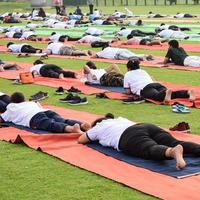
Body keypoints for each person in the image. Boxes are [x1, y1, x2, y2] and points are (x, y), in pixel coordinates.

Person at [78, 113, 200, 170]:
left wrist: (88, 129)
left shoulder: (98, 127)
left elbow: (81, 140)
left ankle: (172, 152)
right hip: (145, 126)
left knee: (149, 148)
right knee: (176, 141)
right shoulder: (119, 119)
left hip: (128, 136)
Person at [0, 92, 90, 133]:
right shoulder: (30, 102)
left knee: (50, 124)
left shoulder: (11, 108)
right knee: (62, 120)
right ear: (23, 99)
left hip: (33, 117)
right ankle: (81, 125)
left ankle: (71, 129)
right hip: (44, 111)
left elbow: (2, 119)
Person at [123, 59, 195, 102]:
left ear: (128, 68)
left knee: (157, 97)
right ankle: (187, 92)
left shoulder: (127, 74)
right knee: (172, 94)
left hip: (145, 88)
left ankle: (166, 93)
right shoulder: (143, 71)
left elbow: (128, 92)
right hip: (156, 85)